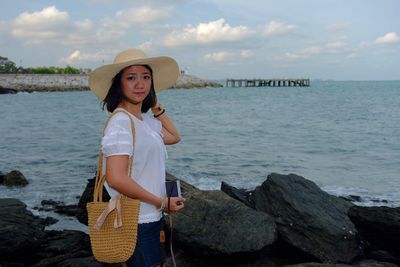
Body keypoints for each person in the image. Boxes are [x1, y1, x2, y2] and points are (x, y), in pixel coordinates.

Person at [88, 48, 186, 267]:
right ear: (118, 83)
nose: (140, 84)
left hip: (152, 216)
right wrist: (161, 202)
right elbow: (116, 178)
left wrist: (155, 106)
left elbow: (174, 136)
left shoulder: (145, 122)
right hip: (137, 220)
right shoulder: (121, 122)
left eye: (146, 77)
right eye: (131, 78)